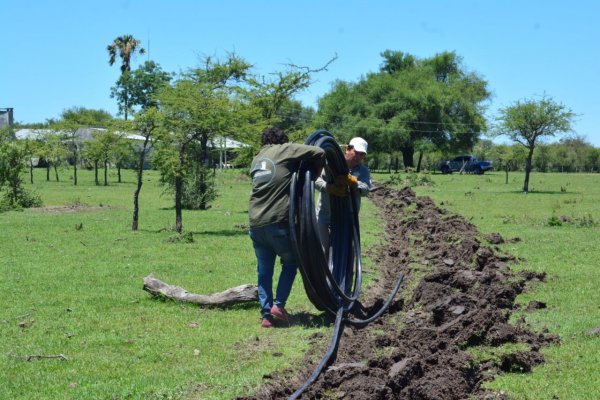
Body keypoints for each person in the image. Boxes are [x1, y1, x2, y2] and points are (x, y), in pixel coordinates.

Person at [248, 127, 326, 328]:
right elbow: (319, 152)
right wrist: (315, 172)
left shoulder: (257, 159)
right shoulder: (284, 150)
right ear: (282, 140)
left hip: (255, 224)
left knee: (264, 271)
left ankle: (266, 316)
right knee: (291, 262)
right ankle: (279, 306)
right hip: (278, 222)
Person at [315, 137, 372, 251]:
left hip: (347, 216)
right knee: (324, 248)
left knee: (345, 249)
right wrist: (328, 187)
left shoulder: (364, 171)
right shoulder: (329, 164)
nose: (359, 157)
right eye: (356, 152)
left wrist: (354, 183)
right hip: (325, 214)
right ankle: (324, 269)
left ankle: (345, 268)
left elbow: (366, 189)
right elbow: (316, 179)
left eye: (362, 155)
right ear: (348, 149)